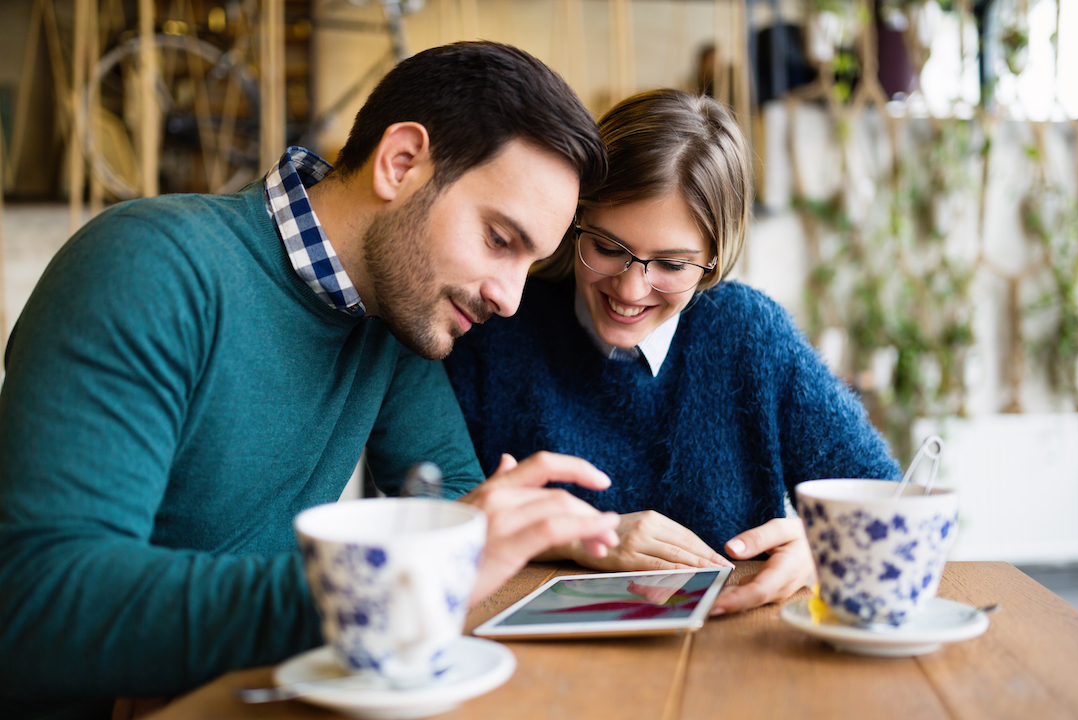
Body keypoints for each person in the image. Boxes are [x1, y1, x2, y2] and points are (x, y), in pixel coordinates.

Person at [0, 42, 622, 720]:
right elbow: (41, 600)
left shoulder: (394, 316)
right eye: (500, 240)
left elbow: (461, 513)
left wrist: (561, 530)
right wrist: (381, 592)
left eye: (530, 264)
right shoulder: (151, 267)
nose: (509, 298)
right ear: (401, 163)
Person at [443, 89, 902, 616]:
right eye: (608, 248)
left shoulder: (748, 333)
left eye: (672, 265)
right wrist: (582, 537)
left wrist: (824, 550)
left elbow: (886, 501)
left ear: (715, 258)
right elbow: (437, 524)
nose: (632, 290)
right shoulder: (494, 324)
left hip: (732, 661)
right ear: (575, 219)